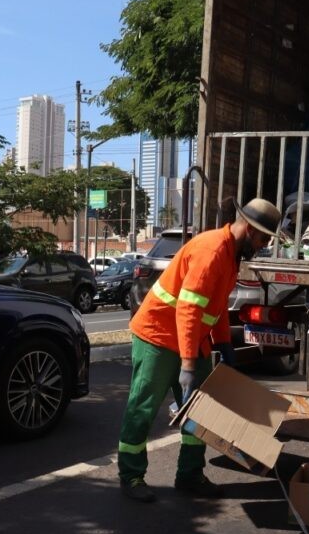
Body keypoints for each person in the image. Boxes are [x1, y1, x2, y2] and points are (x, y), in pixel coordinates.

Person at [117, 198, 281, 503]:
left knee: (201, 413)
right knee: (143, 407)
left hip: (192, 339)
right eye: (263, 238)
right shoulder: (212, 251)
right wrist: (189, 366)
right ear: (248, 229)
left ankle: (190, 475)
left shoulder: (232, 255)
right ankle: (131, 475)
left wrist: (224, 344)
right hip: (158, 336)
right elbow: (190, 310)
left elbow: (214, 306)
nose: (264, 244)